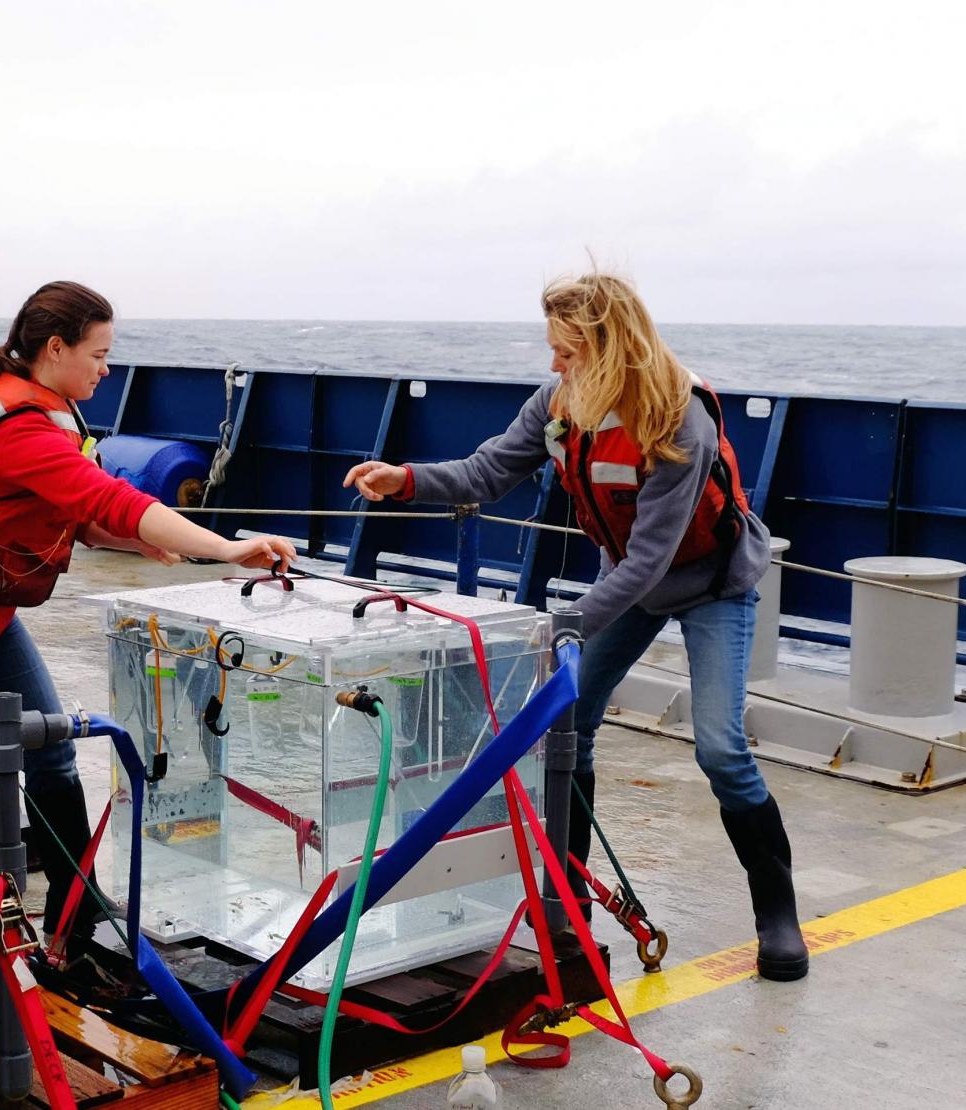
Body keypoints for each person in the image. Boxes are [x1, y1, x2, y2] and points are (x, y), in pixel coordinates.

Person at [343, 271, 807, 981]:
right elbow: (484, 472)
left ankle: (777, 915)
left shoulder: (681, 422)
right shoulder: (560, 405)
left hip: (712, 587)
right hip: (631, 585)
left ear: (610, 348)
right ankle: (567, 911)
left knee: (719, 749)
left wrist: (569, 623)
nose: (553, 363)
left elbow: (651, 560)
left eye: (566, 350)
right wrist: (404, 479)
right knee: (569, 720)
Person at [0, 280, 296, 944]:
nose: (107, 369)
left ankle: (77, 916)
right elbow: (109, 499)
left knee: (54, 756)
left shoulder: (49, 409)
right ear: (55, 349)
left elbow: (85, 516)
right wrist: (224, 548)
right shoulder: (18, 428)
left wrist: (139, 541)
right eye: (98, 354)